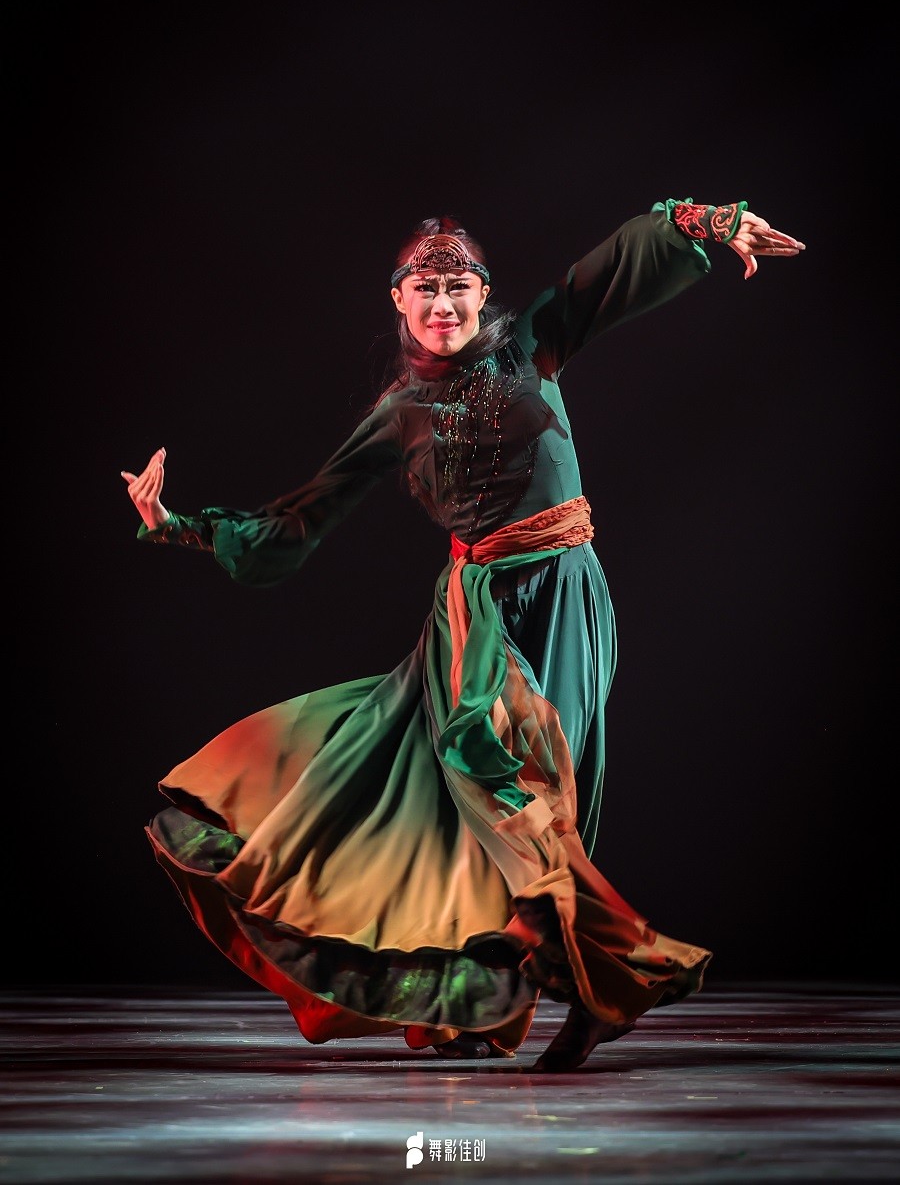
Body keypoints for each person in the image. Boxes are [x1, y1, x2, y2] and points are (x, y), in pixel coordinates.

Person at [123, 197, 804, 1072]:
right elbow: (298, 521)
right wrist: (177, 526)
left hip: (564, 594)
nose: (442, 304)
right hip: (471, 618)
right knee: (491, 785)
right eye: (425, 289)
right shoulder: (399, 412)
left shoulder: (531, 345)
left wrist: (701, 223)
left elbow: (613, 271)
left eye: (457, 288)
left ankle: (524, 995)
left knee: (544, 802)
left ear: (483, 294)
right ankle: (588, 986)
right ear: (398, 300)